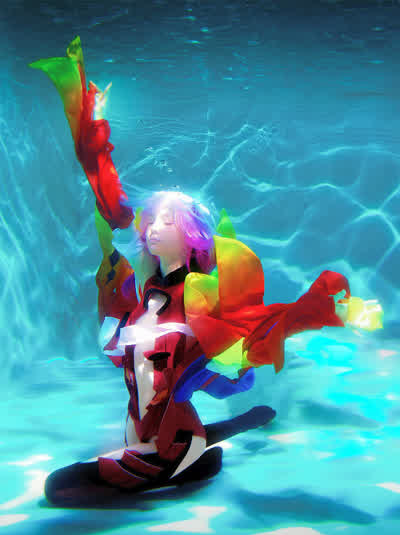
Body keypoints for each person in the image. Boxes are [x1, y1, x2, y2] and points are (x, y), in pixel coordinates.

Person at [31, 38, 383, 506]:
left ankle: (189, 451)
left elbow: (260, 331)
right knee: (64, 483)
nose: (152, 228)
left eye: (167, 221)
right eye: (152, 220)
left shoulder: (201, 298)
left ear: (192, 235)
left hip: (169, 438)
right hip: (140, 431)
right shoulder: (142, 287)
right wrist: (92, 123)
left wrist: (338, 310)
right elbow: (112, 207)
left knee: (61, 487)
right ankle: (193, 446)